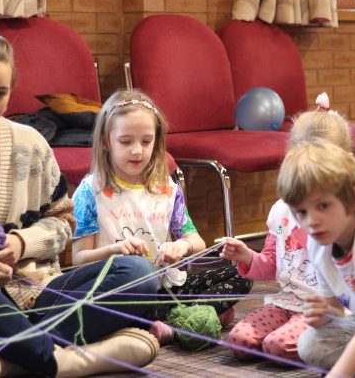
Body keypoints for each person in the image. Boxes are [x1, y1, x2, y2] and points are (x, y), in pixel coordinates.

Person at [0, 31, 160, 377]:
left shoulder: (30, 144)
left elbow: (64, 220)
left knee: (137, 273)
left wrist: (22, 243)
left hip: (38, 292)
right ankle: (61, 359)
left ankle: (15, 359)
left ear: (12, 87)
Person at [72, 88, 253, 345]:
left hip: (167, 289)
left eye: (146, 141)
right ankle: (185, 318)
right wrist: (114, 250)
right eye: (126, 142)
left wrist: (181, 245)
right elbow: (79, 260)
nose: (137, 151)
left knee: (240, 277)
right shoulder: (90, 191)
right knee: (104, 309)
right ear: (105, 141)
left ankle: (163, 322)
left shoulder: (167, 189)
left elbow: (196, 241)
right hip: (122, 294)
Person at [220, 94, 353, 362]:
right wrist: (247, 256)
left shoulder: (346, 213)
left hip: (324, 308)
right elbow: (272, 264)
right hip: (287, 301)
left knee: (276, 346)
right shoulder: (281, 209)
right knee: (239, 341)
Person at [277, 140, 355, 377]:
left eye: (323, 205)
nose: (312, 221)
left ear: (354, 199)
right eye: (302, 212)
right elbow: (337, 310)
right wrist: (324, 313)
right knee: (310, 343)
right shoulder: (319, 245)